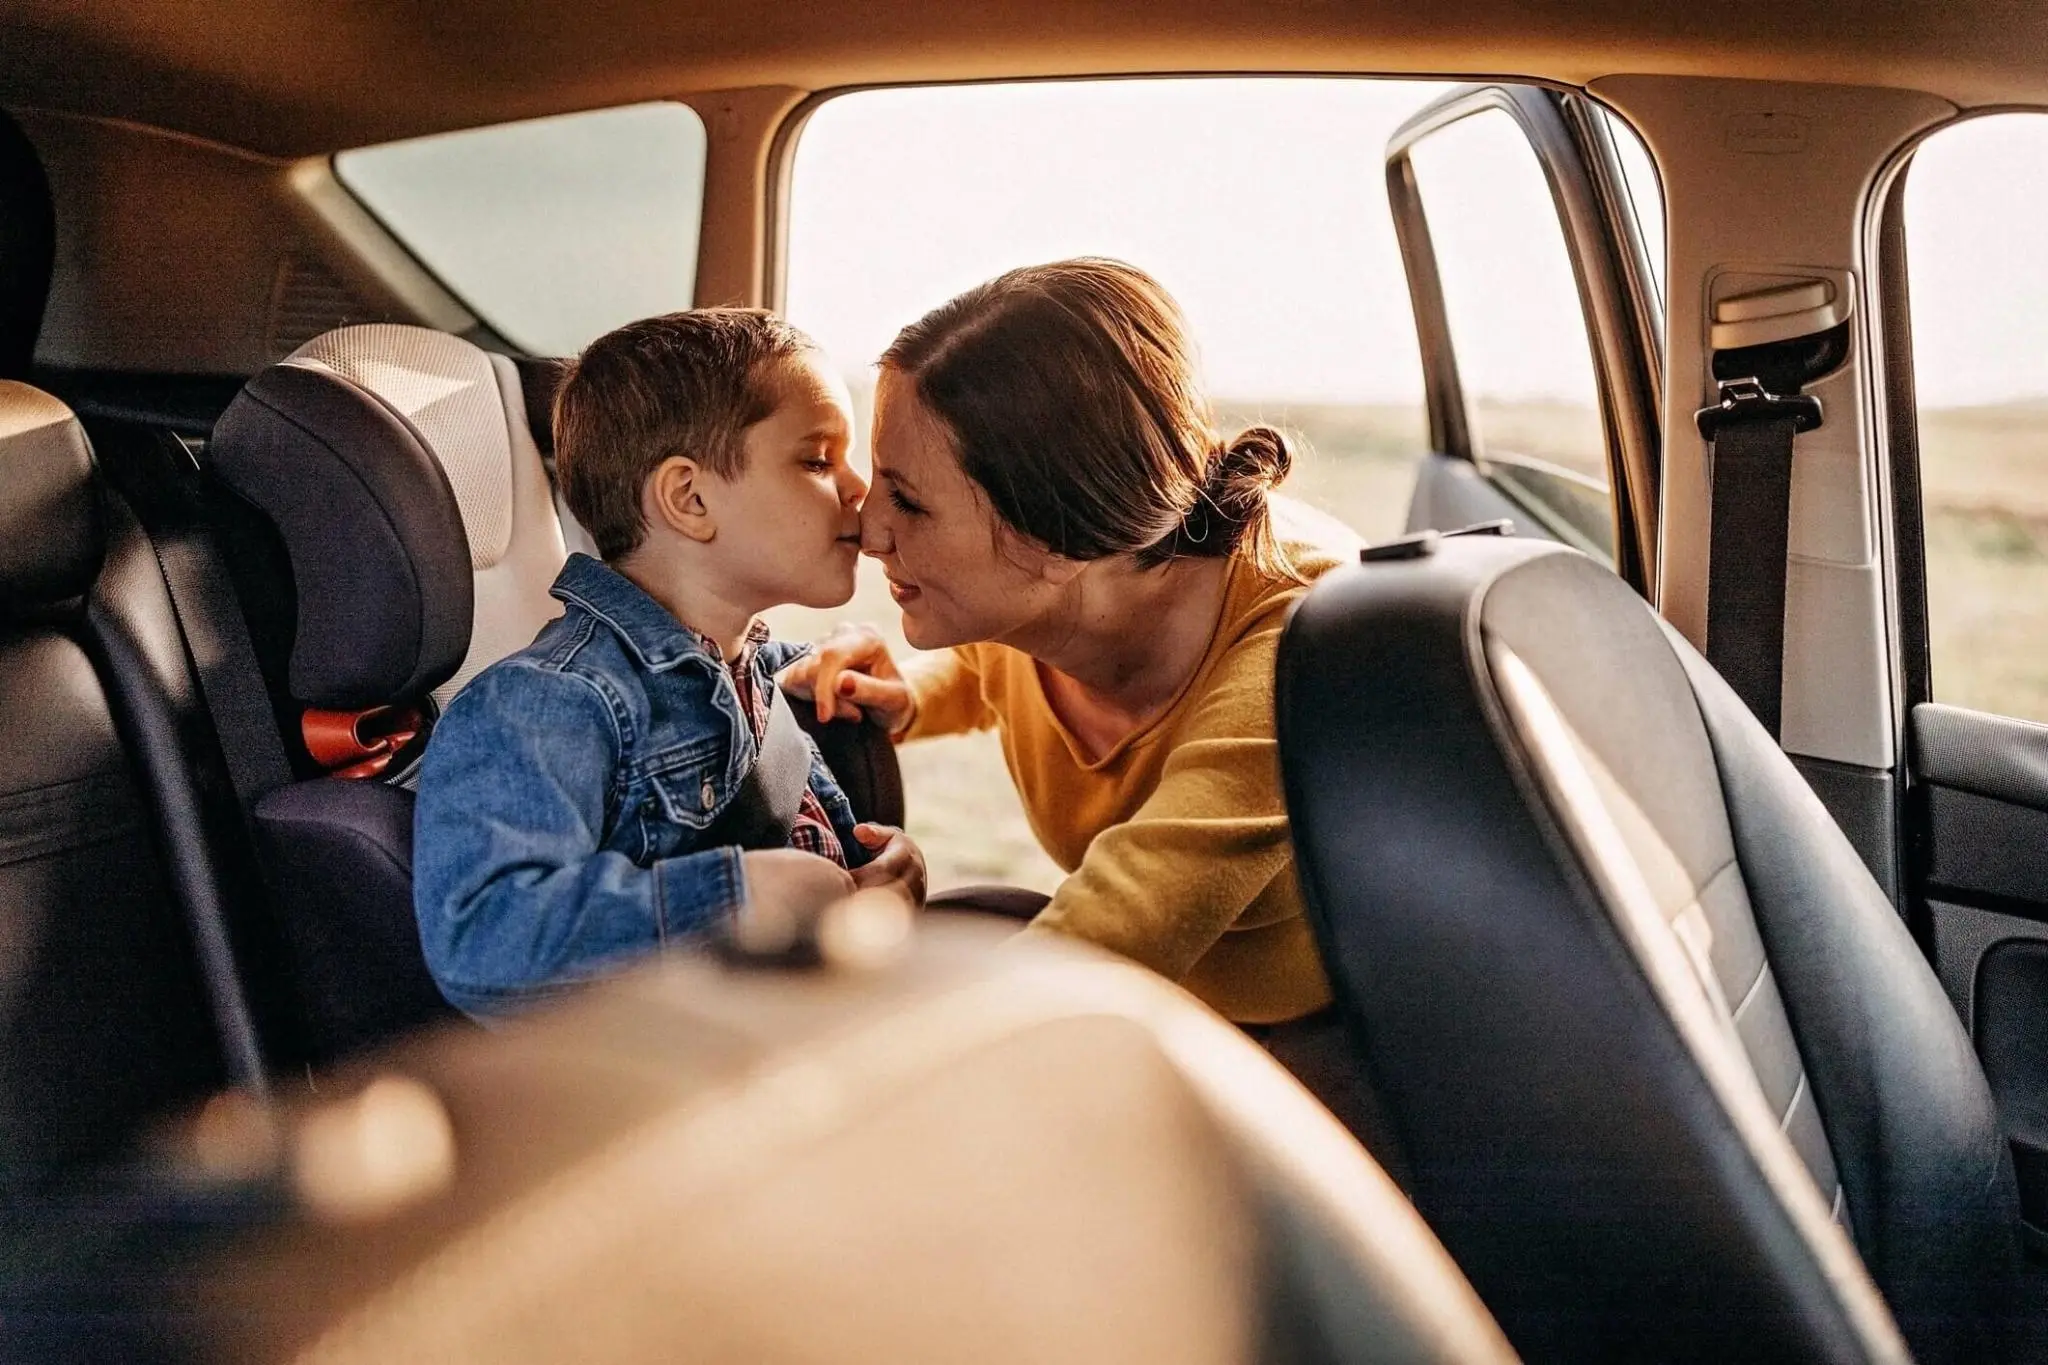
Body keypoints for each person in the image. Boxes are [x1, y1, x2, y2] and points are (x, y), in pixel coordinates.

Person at [783, 258, 1360, 1028]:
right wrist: (911, 694)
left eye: (909, 501)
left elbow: (1119, 916)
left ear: (1055, 538)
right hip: (1153, 1009)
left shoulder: (1293, 659)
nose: (867, 528)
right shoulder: (1054, 590)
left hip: (1300, 1048)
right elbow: (994, 664)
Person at [414, 309, 926, 1016]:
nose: (858, 488)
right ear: (690, 499)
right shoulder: (547, 703)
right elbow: (485, 941)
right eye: (817, 459)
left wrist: (882, 869)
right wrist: (734, 899)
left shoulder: (756, 671)